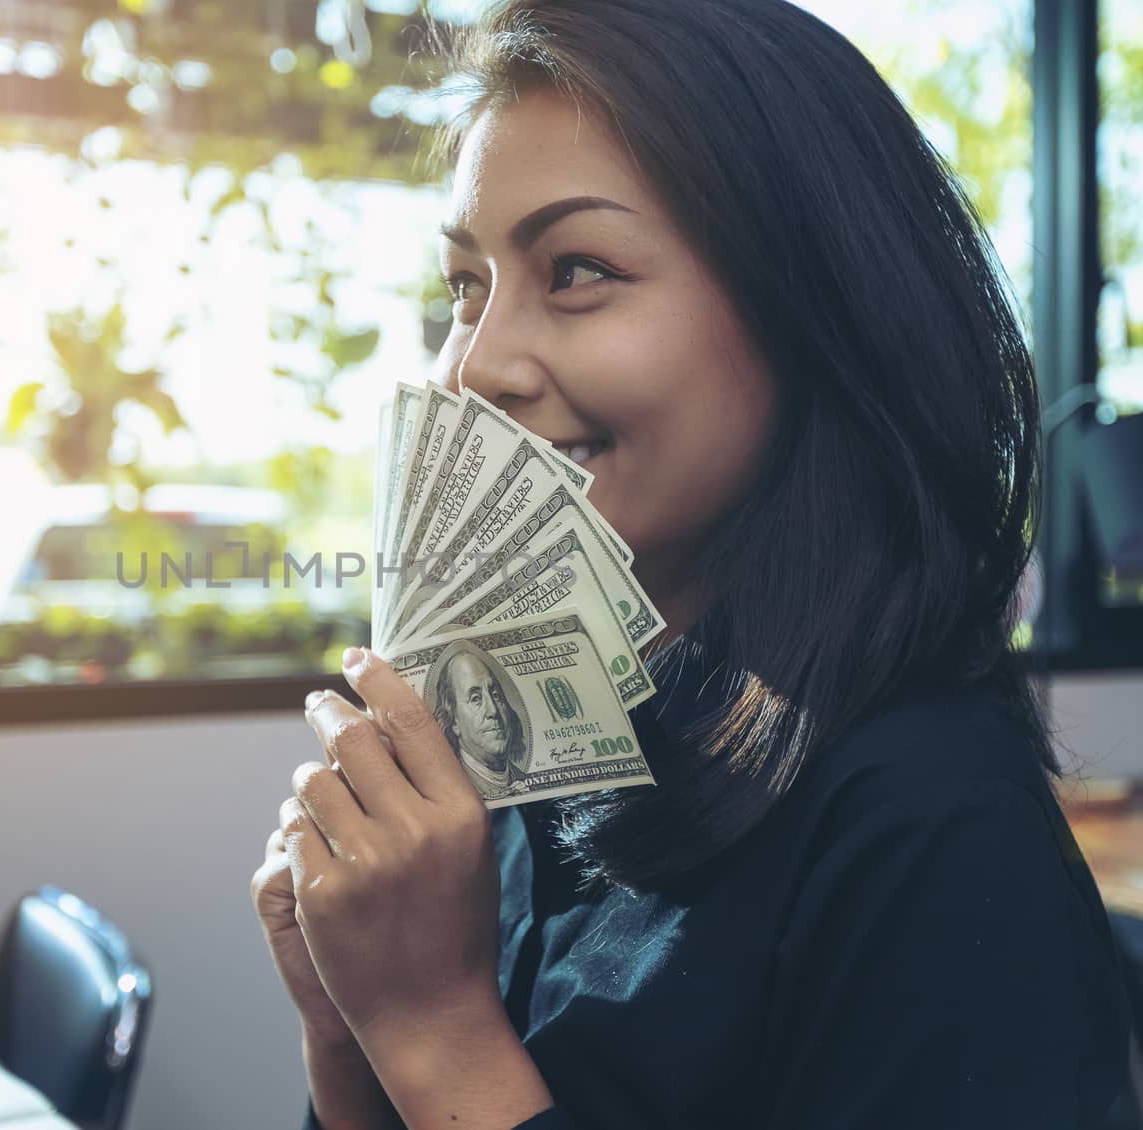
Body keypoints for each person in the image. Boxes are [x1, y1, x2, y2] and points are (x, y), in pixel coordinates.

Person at [249, 2, 1136, 1128]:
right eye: (464, 287)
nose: (474, 368)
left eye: (575, 270)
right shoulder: (565, 749)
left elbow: (464, 1066)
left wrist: (433, 1024)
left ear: (812, 311)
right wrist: (351, 1028)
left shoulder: (935, 829)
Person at [433, 647, 527, 800]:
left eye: (495, 695)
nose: (493, 711)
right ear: (454, 720)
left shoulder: (524, 779)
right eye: (476, 698)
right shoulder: (448, 790)